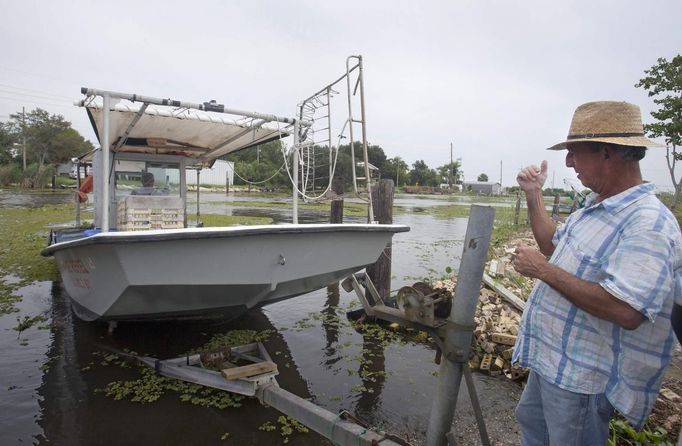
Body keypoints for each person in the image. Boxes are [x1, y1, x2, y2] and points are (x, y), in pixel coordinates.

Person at [511, 101, 682, 445]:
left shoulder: (646, 222)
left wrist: (544, 272)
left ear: (607, 153)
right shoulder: (596, 207)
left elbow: (626, 310)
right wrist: (534, 195)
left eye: (574, 152)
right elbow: (551, 246)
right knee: (534, 431)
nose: (569, 162)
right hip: (552, 363)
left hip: (581, 379)